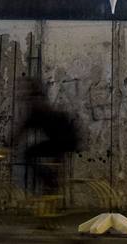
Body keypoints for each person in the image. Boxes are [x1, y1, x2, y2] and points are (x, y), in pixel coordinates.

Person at [14, 77, 81, 215]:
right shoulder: (38, 103)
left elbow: (22, 129)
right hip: (64, 137)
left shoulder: (35, 107)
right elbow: (24, 128)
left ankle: (50, 180)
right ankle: (52, 184)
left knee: (29, 153)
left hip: (63, 139)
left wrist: (9, 144)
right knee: (42, 156)